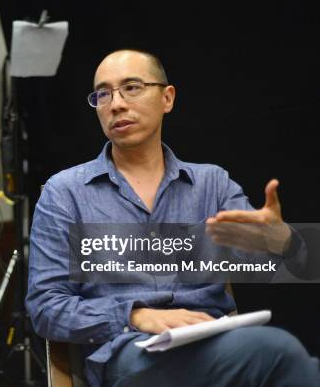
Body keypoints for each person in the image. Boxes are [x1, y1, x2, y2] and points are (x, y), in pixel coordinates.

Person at [26, 49, 320, 386]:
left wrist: (280, 240)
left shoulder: (212, 184)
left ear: (167, 98)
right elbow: (46, 307)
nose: (116, 104)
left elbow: (275, 262)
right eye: (103, 94)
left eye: (132, 87)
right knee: (280, 352)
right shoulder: (65, 193)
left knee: (298, 363)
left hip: (212, 341)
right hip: (127, 354)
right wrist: (136, 316)